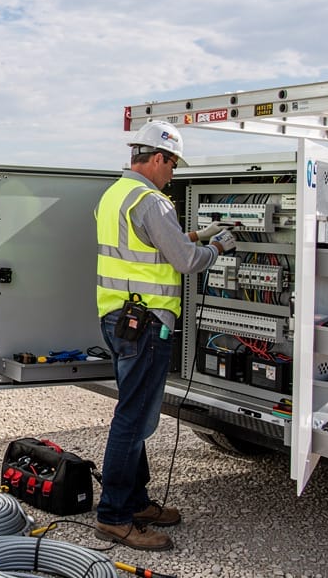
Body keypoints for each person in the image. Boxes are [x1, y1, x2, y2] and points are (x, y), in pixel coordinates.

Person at [93, 121, 235, 551]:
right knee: (133, 420)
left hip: (119, 317)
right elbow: (187, 260)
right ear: (157, 158)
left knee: (134, 415)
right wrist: (218, 246)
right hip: (147, 322)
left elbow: (153, 245)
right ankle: (115, 517)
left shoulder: (115, 194)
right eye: (172, 164)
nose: (173, 174)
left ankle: (135, 502)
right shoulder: (152, 200)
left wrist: (196, 233)